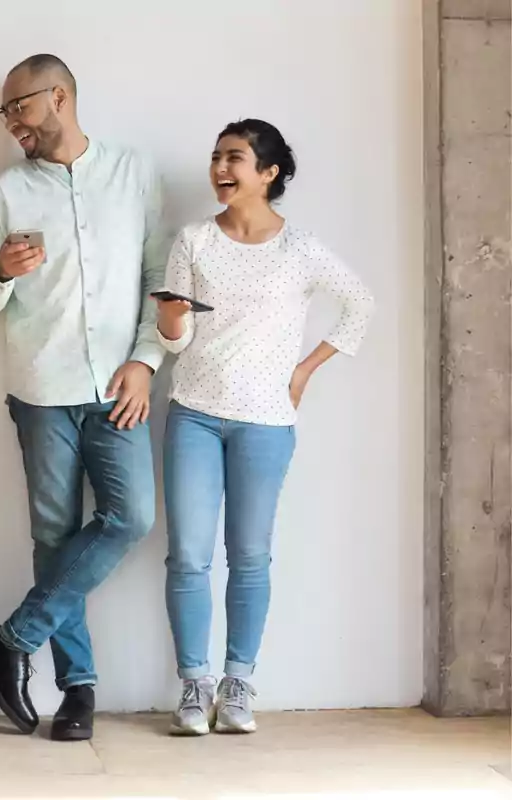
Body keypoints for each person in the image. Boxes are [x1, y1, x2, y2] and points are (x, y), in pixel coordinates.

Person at [0, 54, 167, 741]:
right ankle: (76, 689)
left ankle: (11, 639)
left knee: (131, 516)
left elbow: (160, 276)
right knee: (53, 539)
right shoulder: (3, 191)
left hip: (119, 386)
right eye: (4, 113)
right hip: (40, 390)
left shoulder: (133, 174)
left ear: (58, 96)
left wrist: (146, 361)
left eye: (17, 107)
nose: (11, 123)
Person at [155, 119, 373, 736]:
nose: (221, 169)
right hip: (194, 412)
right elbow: (179, 341)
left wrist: (305, 369)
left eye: (236, 158)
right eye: (217, 157)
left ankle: (239, 683)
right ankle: (195, 686)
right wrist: (172, 322)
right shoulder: (193, 240)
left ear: (269, 173)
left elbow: (360, 302)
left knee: (249, 556)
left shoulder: (298, 249)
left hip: (266, 423)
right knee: (188, 558)